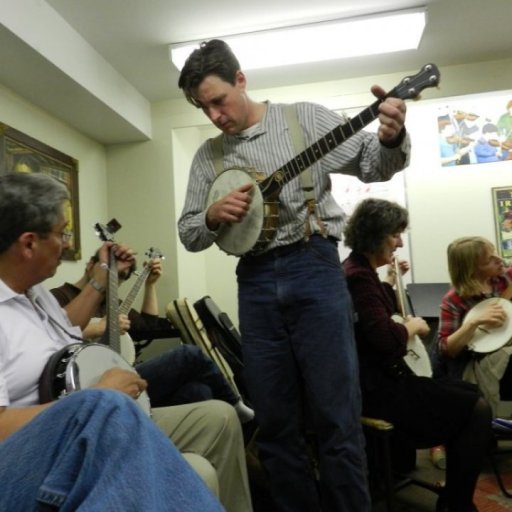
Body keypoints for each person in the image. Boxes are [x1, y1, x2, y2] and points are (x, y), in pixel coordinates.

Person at [177, 38, 412, 511]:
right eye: (204, 108)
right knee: (276, 422)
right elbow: (188, 232)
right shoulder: (207, 157)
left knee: (337, 416)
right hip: (256, 281)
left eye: (218, 101)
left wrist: (390, 136)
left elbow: (373, 161)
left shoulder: (304, 118)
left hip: (316, 268)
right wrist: (213, 215)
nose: (214, 116)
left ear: (241, 80)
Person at [0, 172, 253, 512]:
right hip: (33, 452)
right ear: (29, 243)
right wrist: (95, 398)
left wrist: (101, 280)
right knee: (112, 409)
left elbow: (67, 330)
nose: (66, 243)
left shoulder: (35, 294)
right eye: (61, 234)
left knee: (218, 417)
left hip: (87, 424)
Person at [342, 198, 492, 512]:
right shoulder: (358, 277)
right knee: (475, 407)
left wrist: (390, 281)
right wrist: (411, 327)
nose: (399, 241)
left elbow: (377, 316)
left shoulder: (360, 271)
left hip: (382, 379)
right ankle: (456, 503)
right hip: (380, 388)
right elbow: (385, 338)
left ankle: (454, 496)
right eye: (394, 234)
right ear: (376, 235)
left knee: (468, 395)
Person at [50, 251, 255, 423]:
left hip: (125, 371)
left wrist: (150, 285)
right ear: (91, 265)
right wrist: (98, 327)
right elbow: (51, 335)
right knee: (188, 355)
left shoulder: (111, 302)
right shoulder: (58, 297)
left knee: (198, 392)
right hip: (93, 382)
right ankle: (235, 403)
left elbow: (150, 325)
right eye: (113, 273)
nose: (115, 281)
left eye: (121, 277)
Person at [0, 390, 223, 511]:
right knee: (108, 407)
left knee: (215, 412)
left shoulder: (42, 308)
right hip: (37, 441)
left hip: (66, 426)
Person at [435, 236, 512, 416]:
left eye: (495, 253)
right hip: (478, 360)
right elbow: (445, 349)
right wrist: (473, 322)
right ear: (472, 270)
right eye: (489, 260)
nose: (499, 260)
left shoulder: (504, 278)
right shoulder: (453, 300)